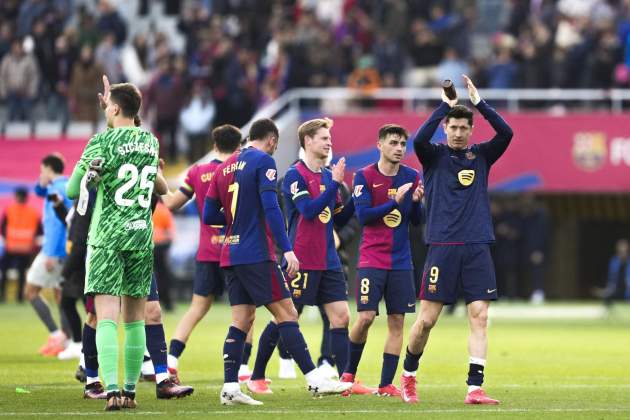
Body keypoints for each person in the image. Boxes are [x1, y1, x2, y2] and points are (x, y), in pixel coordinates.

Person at [203, 118, 352, 405]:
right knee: (287, 313)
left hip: (230, 253)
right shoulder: (264, 162)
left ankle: (231, 388)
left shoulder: (223, 167)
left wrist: (237, 221)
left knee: (242, 320)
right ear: (271, 140)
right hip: (256, 253)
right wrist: (287, 249)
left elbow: (210, 216)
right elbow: (272, 208)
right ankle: (313, 379)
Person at [400, 75, 513, 405]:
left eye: (465, 127)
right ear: (446, 128)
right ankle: (408, 375)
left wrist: (479, 103)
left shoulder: (481, 156)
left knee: (479, 315)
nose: (460, 132)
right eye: (454, 127)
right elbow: (418, 139)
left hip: (478, 245)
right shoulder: (433, 156)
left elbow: (507, 133)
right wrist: (444, 106)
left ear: (471, 130)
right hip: (443, 246)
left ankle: (474, 387)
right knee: (427, 321)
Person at [67, 75, 161, 410]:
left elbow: (71, 190)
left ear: (116, 106)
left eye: (108, 105)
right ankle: (131, 393)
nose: (105, 109)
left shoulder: (100, 143)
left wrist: (92, 174)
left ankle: (111, 393)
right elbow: (157, 183)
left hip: (107, 238)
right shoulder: (151, 143)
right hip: (140, 235)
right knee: (135, 319)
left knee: (106, 316)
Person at [247, 118, 355, 394]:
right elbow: (308, 210)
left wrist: (359, 196)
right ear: (308, 141)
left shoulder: (329, 175)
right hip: (302, 260)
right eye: (323, 138)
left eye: (329, 138)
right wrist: (334, 185)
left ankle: (346, 381)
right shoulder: (294, 175)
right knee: (285, 317)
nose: (329, 142)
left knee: (341, 317)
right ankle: (257, 375)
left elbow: (338, 215)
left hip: (329, 259)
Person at [161, 124, 254, 384]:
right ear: (239, 147)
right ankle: (244, 368)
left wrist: (158, 179)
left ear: (214, 146)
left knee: (196, 309)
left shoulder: (198, 171)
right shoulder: (243, 171)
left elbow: (170, 203)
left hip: (207, 252)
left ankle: (171, 361)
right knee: (246, 312)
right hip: (237, 251)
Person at [340, 124, 424, 397]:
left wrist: (416, 202)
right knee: (364, 318)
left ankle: (386, 384)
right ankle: (348, 376)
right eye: (393, 143)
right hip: (372, 259)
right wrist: (395, 201)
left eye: (402, 144)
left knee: (397, 321)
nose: (399, 148)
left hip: (401, 262)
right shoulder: (364, 176)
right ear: (380, 145)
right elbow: (363, 217)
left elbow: (417, 221)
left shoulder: (412, 176)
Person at [27, 153, 73, 357]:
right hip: (63, 250)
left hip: (54, 251)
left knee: (30, 291)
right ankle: (67, 339)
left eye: (41, 170)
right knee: (59, 294)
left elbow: (60, 224)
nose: (40, 174)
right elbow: (38, 190)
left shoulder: (57, 189)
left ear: (47, 168)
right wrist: (42, 180)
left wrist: (52, 253)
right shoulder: (61, 186)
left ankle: (58, 336)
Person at [0, 187, 40, 303]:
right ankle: (20, 298)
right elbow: (38, 231)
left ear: (16, 196)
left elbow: (2, 228)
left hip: (11, 247)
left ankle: (2, 296)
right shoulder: (33, 212)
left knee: (4, 271)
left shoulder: (9, 210)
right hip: (25, 248)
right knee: (22, 274)